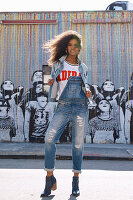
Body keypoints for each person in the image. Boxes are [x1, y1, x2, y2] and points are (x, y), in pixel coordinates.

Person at [40, 30, 91, 197]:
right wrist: (48, 83)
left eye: (76, 45)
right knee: (49, 139)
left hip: (81, 106)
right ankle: (50, 178)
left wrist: (88, 91)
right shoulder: (56, 64)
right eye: (70, 44)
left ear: (79, 48)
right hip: (63, 106)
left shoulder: (83, 67)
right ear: (66, 47)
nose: (73, 48)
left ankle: (75, 180)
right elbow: (46, 88)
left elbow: (86, 87)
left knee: (77, 145)